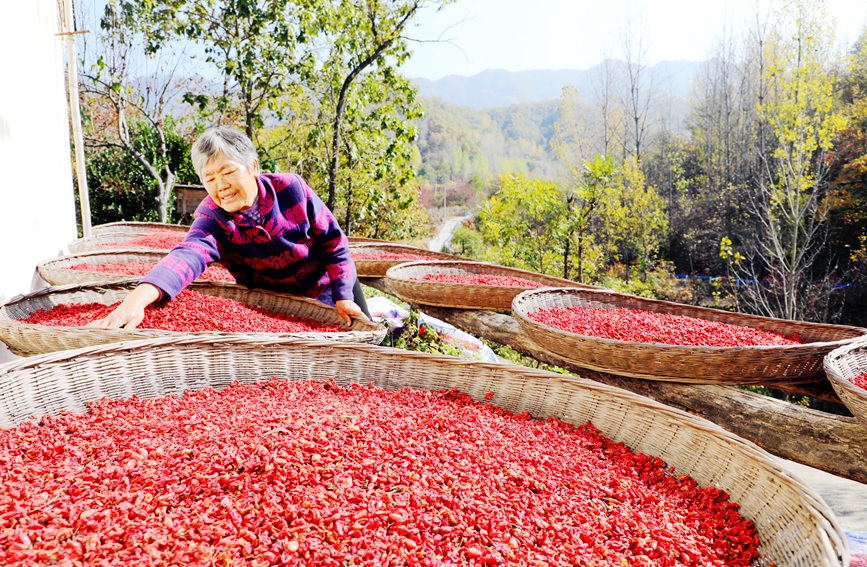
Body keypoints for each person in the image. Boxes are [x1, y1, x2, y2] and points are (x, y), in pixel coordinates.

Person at [88, 126, 371, 329]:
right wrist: (136, 301)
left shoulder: (291, 189)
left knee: (366, 344)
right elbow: (187, 256)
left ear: (254, 167)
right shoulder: (213, 218)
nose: (221, 186)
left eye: (228, 172)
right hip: (276, 308)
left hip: (329, 289)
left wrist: (343, 295)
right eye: (209, 178)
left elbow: (335, 243)